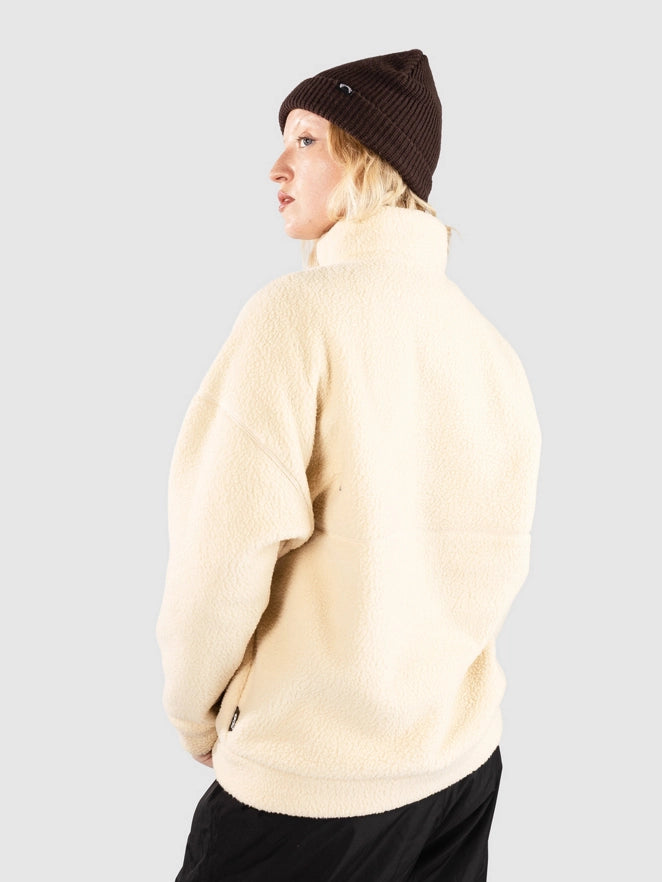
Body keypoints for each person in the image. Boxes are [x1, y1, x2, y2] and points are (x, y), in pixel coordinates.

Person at [156, 48, 542, 881]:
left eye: (306, 140)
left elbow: (218, 558)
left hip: (310, 787)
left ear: (369, 160)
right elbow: (495, 562)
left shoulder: (295, 319)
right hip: (458, 771)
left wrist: (195, 715)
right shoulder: (489, 347)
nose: (276, 167)